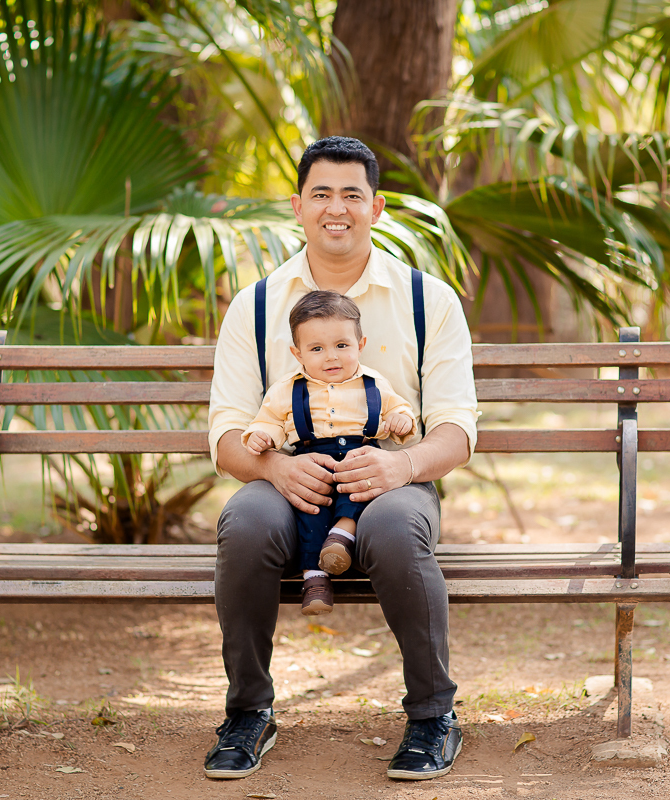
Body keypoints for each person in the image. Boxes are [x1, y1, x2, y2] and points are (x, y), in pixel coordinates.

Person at [205, 136, 478, 782]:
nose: (336, 208)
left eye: (352, 194)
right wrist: (273, 468)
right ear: (297, 206)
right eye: (321, 194)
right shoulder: (256, 305)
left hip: (395, 478)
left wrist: (400, 466)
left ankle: (432, 716)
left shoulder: (428, 299)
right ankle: (248, 712)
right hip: (288, 476)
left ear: (376, 207)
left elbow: (457, 429)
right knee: (244, 523)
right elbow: (226, 434)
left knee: (395, 527)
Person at [243, 290, 417, 616]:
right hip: (312, 461)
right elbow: (270, 421)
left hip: (360, 455)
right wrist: (262, 436)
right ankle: (315, 581)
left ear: (360, 345)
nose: (331, 357)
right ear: (298, 354)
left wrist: (401, 421)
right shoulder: (287, 389)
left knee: (361, 488)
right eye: (317, 349)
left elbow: (399, 410)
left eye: (341, 345)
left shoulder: (374, 383)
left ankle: (342, 535)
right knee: (310, 510)